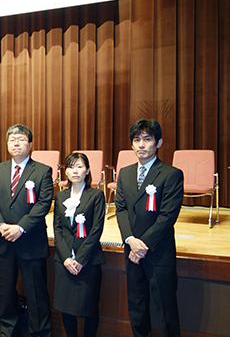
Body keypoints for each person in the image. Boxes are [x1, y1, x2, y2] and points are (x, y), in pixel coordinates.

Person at [116, 118, 184, 337]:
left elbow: (168, 216)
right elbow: (121, 209)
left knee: (166, 309)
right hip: (132, 250)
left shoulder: (171, 174)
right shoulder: (125, 173)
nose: (141, 145)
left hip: (157, 251)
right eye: (137, 140)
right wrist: (130, 240)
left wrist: (143, 245)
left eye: (147, 139)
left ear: (159, 142)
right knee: (136, 306)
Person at [0, 124, 53, 337]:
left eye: (21, 139)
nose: (16, 142)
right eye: (12, 139)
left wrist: (21, 227)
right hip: (2, 239)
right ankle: (7, 331)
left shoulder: (42, 170)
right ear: (7, 144)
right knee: (5, 291)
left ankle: (39, 333)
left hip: (30, 241)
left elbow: (43, 203)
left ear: (30, 145)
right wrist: (1, 225)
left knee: (36, 292)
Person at [53, 153, 106, 337]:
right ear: (65, 171)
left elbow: (97, 229)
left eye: (80, 166)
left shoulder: (96, 195)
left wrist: (80, 259)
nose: (75, 171)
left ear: (88, 170)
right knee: (66, 307)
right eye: (71, 166)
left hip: (88, 260)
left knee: (89, 307)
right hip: (64, 261)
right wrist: (66, 258)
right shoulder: (60, 196)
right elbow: (57, 230)